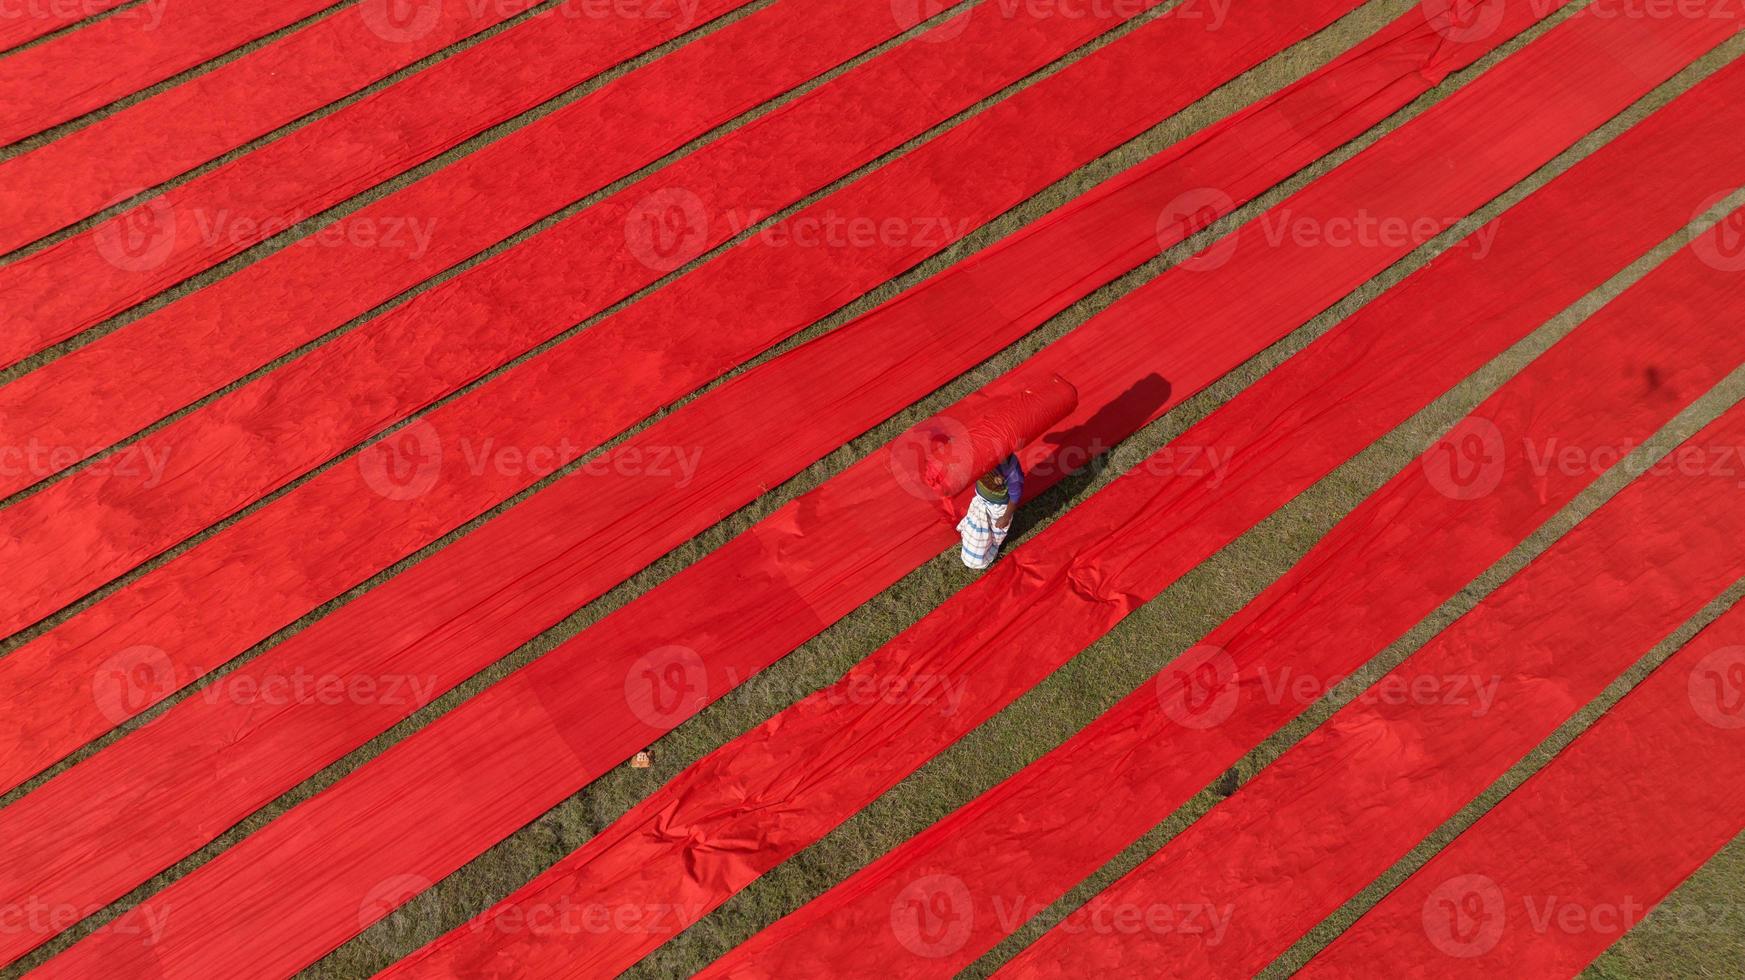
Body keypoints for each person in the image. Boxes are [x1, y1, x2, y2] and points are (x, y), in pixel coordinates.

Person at [957, 454, 1024, 569]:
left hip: (997, 509)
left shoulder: (1012, 472)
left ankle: (988, 551)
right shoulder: (984, 456)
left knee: (993, 533)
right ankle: (976, 545)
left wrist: (1006, 517)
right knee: (976, 532)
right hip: (980, 501)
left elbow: (1015, 496)